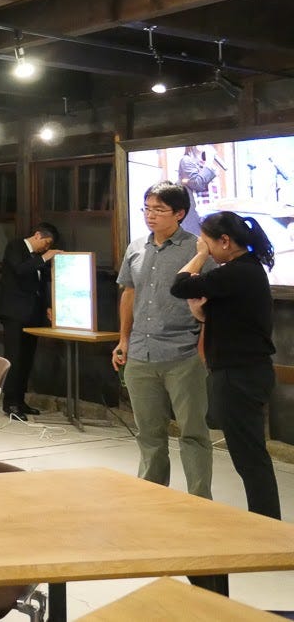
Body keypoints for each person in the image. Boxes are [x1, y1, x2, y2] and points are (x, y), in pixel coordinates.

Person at [171, 211, 281, 519]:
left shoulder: (238, 271)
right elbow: (223, 317)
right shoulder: (243, 270)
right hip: (241, 372)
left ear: (225, 241)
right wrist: (200, 313)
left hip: (240, 375)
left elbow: (179, 285)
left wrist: (198, 257)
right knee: (248, 455)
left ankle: (266, 522)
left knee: (250, 457)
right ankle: (264, 519)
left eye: (206, 243)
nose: (204, 250)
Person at [113, 181, 213, 501]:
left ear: (180, 213)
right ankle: (152, 498)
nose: (150, 215)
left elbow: (213, 302)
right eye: (147, 208)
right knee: (148, 434)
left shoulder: (198, 250)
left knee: (193, 433)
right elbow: (129, 293)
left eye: (159, 209)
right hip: (140, 353)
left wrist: (202, 349)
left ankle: (199, 501)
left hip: (183, 354)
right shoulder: (136, 247)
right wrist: (123, 339)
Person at [0, 223, 60, 417]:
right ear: (37, 235)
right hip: (14, 313)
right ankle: (10, 403)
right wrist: (45, 257)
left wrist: (47, 306)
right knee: (14, 358)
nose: (46, 248)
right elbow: (20, 270)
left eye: (49, 247)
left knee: (27, 359)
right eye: (46, 243)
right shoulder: (15, 246)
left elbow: (40, 285)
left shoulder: (38, 259)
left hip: (32, 314)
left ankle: (20, 401)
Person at [177, 146, 216, 235]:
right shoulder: (186, 160)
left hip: (206, 216)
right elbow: (197, 183)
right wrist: (209, 162)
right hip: (193, 220)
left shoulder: (204, 165)